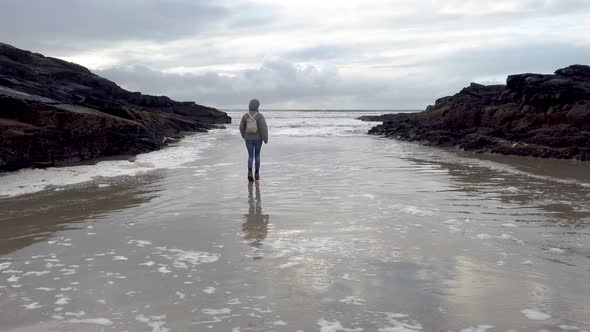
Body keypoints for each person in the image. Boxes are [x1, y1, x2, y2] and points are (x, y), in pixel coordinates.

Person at [239, 99, 268, 181]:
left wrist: (244, 136)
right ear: (257, 106)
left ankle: (249, 172)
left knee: (250, 156)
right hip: (258, 139)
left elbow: (241, 127)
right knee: (257, 155)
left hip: (248, 139)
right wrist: (265, 138)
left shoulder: (245, 116)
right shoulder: (260, 116)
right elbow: (263, 128)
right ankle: (257, 174)